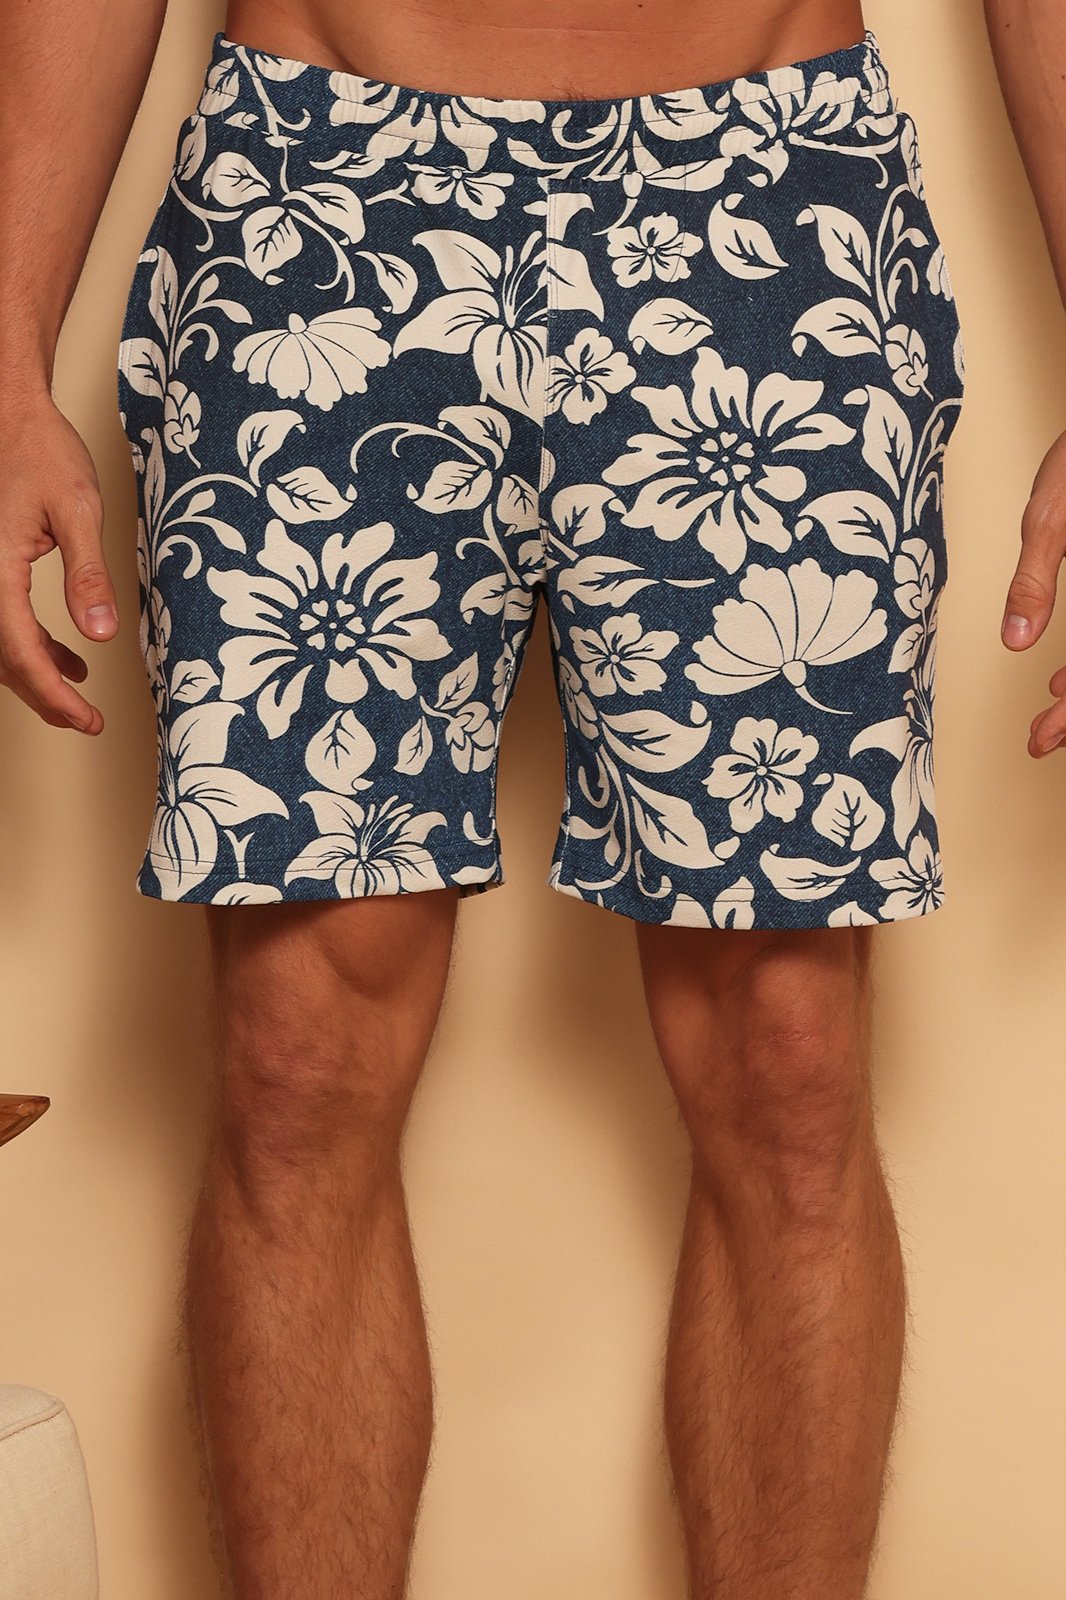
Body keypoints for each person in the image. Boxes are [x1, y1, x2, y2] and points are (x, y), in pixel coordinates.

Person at [0, 2, 1053, 1596]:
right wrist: (7, 344)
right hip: (317, 194)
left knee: (785, 1057)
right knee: (293, 1059)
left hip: (767, 199)